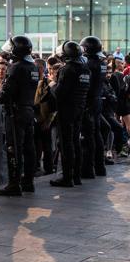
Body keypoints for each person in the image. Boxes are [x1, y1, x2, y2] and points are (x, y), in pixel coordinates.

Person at [0, 36, 39, 196]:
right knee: (29, 148)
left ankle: (14, 184)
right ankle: (28, 182)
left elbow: (5, 95)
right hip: (28, 110)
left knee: (13, 148)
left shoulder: (16, 67)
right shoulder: (32, 67)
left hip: (15, 113)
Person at [50, 41, 91, 187]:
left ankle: (67, 178)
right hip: (80, 108)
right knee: (75, 142)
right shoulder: (85, 69)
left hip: (66, 110)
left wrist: (52, 86)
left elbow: (60, 93)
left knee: (66, 143)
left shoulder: (67, 69)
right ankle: (77, 176)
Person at [79, 36, 108, 178]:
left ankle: (88, 170)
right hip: (97, 101)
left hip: (89, 102)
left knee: (88, 137)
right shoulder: (101, 63)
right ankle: (100, 167)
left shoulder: (89, 64)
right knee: (97, 135)